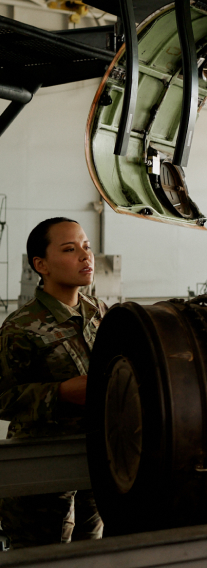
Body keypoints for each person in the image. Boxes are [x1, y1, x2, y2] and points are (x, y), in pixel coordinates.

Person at [0, 217, 106, 548]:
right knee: (40, 559)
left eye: (87, 247)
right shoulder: (21, 327)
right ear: (41, 264)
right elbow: (2, 398)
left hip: (94, 457)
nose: (85, 256)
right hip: (42, 465)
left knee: (91, 552)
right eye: (70, 249)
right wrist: (59, 394)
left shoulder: (99, 312)